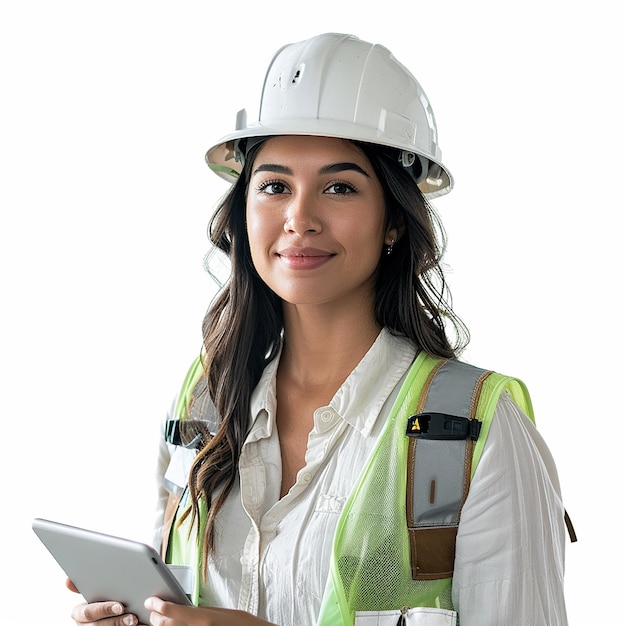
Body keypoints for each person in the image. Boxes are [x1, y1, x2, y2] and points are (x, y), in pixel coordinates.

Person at [68, 32, 572, 626]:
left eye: (339, 187)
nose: (299, 218)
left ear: (393, 221)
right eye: (275, 186)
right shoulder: (202, 407)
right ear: (243, 213)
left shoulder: (472, 436)